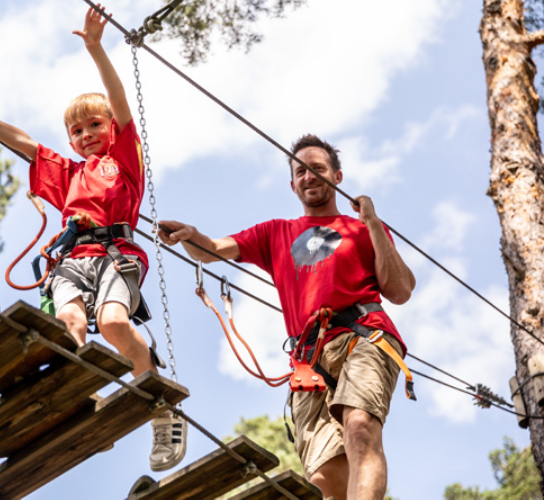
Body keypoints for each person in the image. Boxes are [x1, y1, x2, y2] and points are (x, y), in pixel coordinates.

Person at [0, 4, 187, 472]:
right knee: (69, 323)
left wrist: (96, 49)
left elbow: (118, 102)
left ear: (112, 130)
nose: (88, 133)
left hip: (117, 254)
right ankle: (81, 396)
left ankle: (155, 394)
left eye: (95, 125)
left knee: (113, 323)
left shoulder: (124, 160)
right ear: (71, 141)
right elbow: (23, 141)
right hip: (73, 258)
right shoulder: (67, 174)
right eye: (77, 130)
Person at [158, 134, 415, 499]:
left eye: (318, 169)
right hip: (308, 360)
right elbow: (212, 249)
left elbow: (400, 291)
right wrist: (191, 235)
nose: (309, 177)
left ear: (337, 177)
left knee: (359, 426)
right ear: (292, 184)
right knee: (325, 477)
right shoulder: (275, 232)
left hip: (363, 335)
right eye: (301, 171)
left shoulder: (360, 229)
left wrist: (373, 223)